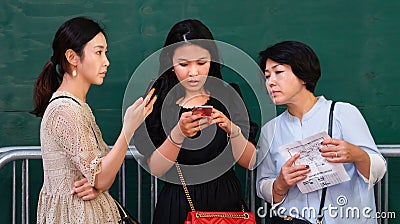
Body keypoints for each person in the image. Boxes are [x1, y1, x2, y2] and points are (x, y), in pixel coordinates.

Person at [30, 16, 156, 223]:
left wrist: (97, 186)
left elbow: (103, 176)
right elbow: (101, 176)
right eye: (98, 52)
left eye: (105, 52)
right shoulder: (66, 110)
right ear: (72, 57)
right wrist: (128, 130)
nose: (106, 61)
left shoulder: (78, 107)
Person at [133, 19, 258, 224]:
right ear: (170, 65)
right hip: (179, 202)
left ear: (212, 61)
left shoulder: (228, 95)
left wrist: (233, 130)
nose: (193, 72)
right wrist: (178, 134)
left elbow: (250, 161)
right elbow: (156, 168)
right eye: (183, 64)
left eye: (201, 63)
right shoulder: (158, 100)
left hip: (226, 204)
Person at [256, 40, 386, 223]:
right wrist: (280, 184)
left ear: (303, 76)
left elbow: (379, 168)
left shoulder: (342, 113)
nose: (271, 82)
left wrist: (358, 155)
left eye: (278, 73)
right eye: (267, 76)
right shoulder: (270, 130)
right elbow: (262, 185)